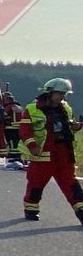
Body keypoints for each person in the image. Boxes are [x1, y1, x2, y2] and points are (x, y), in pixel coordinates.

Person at [16, 78, 83, 224]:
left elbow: (69, 124)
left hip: (64, 153)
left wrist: (76, 126)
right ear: (49, 92)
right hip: (43, 154)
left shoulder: (66, 108)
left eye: (64, 94)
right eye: (59, 93)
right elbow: (25, 131)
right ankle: (31, 209)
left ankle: (81, 210)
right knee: (36, 184)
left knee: (71, 183)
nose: (62, 97)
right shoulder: (33, 109)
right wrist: (33, 146)